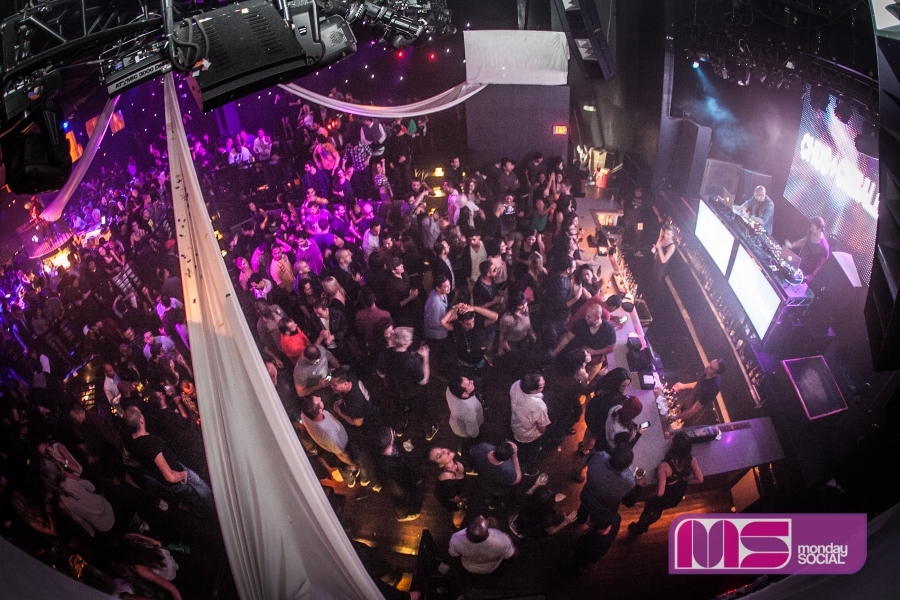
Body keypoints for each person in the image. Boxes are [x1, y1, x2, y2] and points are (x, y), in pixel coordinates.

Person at [122, 406, 214, 510]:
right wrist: (183, 474)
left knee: (192, 497)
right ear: (141, 420)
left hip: (165, 481)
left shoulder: (131, 442)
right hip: (177, 475)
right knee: (201, 490)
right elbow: (170, 476)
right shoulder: (150, 444)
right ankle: (218, 507)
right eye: (141, 413)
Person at [629, 432, 704, 536]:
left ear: (674, 446)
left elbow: (660, 492)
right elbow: (700, 479)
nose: (671, 438)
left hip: (664, 495)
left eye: (673, 439)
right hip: (677, 495)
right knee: (658, 510)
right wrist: (685, 480)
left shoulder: (664, 466)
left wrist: (651, 495)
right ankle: (646, 525)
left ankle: (639, 527)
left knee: (648, 510)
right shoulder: (692, 459)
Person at [299, 395, 367, 488]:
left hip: (333, 445)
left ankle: (349, 479)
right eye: (318, 401)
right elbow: (341, 454)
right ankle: (350, 481)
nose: (320, 398)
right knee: (345, 465)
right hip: (342, 447)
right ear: (320, 411)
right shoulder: (329, 436)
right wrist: (352, 464)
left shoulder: (304, 414)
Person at [575, 445, 643, 523]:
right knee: (598, 523)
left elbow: (589, 460)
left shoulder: (598, 457)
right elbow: (629, 503)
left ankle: (579, 521)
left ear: (612, 453)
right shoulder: (629, 483)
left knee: (582, 512)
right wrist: (639, 486)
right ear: (629, 464)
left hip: (587, 497)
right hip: (604, 510)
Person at [373, 426, 421, 521]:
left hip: (399, 481)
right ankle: (402, 516)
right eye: (392, 434)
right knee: (401, 502)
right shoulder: (387, 467)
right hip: (400, 489)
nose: (394, 433)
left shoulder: (385, 454)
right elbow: (397, 487)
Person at [509, 371, 551, 477]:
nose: (544, 385)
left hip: (515, 425)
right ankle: (527, 469)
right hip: (529, 435)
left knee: (521, 448)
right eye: (542, 386)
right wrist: (542, 433)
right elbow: (542, 426)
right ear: (533, 390)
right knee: (530, 452)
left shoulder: (516, 384)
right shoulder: (539, 405)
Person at [559, 507, 621, 575]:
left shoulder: (597, 547)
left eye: (588, 524)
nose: (586, 522)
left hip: (581, 556)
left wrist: (589, 571)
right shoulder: (616, 517)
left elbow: (593, 563)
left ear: (598, 529)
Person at [448, 515, 517, 575]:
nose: (481, 516)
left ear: (466, 530)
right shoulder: (502, 539)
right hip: (490, 568)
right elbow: (512, 556)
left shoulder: (456, 538)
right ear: (488, 532)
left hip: (469, 567)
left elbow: (454, 555)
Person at [673, 358, 726, 426]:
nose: (707, 367)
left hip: (691, 414)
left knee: (678, 425)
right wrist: (683, 386)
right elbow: (699, 384)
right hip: (691, 399)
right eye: (710, 363)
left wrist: (675, 417)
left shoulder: (711, 389)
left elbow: (692, 411)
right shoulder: (708, 372)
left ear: (716, 374)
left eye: (711, 368)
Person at [469, 440, 521, 508]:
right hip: (497, 487)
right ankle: (493, 503)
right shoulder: (508, 469)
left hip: (482, 478)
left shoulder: (483, 447)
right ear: (507, 458)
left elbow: (471, 451)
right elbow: (516, 480)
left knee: (485, 490)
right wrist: (515, 456)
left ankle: (488, 500)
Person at [428, 447, 468, 527]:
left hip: (459, 492)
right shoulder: (446, 481)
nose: (444, 451)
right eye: (439, 456)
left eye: (441, 449)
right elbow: (455, 499)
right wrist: (463, 503)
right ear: (440, 465)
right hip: (450, 501)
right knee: (458, 512)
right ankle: (457, 525)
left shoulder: (457, 462)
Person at [445, 374, 483, 454]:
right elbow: (472, 432)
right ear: (464, 394)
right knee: (469, 443)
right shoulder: (468, 411)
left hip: (456, 425)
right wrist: (477, 435)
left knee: (460, 440)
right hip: (465, 433)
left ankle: (460, 446)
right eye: (469, 384)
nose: (472, 381)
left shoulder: (451, 389)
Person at [785, 216, 830, 282]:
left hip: (808, 272)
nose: (811, 229)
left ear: (820, 230)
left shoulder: (824, 247)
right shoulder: (810, 231)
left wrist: (812, 275)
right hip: (799, 263)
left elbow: (822, 264)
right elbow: (804, 240)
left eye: (813, 228)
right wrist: (793, 245)